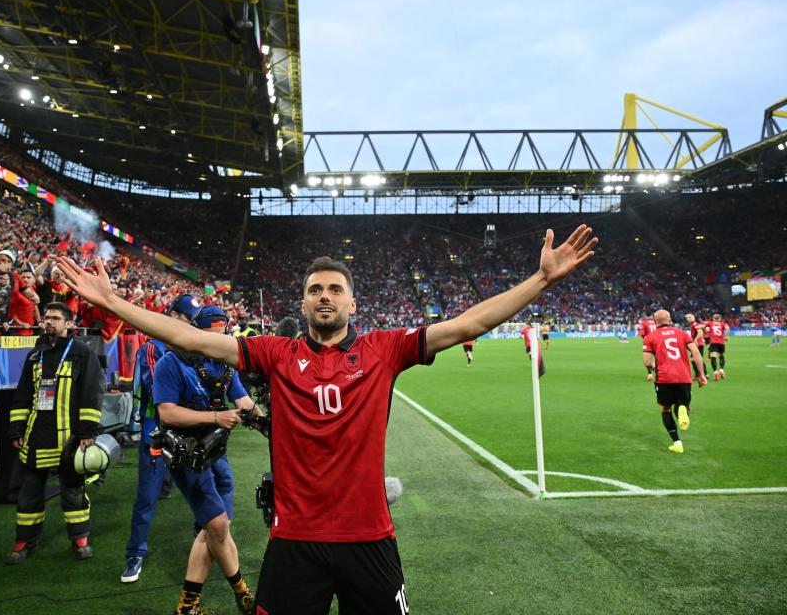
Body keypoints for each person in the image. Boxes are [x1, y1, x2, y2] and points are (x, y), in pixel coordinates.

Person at [56, 225, 597, 613]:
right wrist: (114, 304)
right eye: (315, 289)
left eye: (335, 289)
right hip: (295, 540)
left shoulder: (387, 350)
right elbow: (189, 336)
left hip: (370, 539)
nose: (324, 296)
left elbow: (467, 323)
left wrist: (541, 282)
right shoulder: (273, 353)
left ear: (353, 303)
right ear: (305, 299)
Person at [152, 304, 260, 615]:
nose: (216, 342)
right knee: (216, 525)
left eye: (221, 335)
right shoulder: (170, 363)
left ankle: (190, 604)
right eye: (209, 335)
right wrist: (215, 415)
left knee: (215, 528)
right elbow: (167, 412)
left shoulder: (226, 364)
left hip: (215, 452)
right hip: (188, 455)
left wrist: (271, 425)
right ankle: (240, 594)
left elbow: (243, 401)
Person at [5, 302, 105, 564]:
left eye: (56, 318)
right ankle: (24, 541)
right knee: (29, 493)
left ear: (68, 324)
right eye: (46, 317)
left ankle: (80, 539)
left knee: (73, 491)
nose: (49, 321)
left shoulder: (82, 352)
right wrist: (16, 427)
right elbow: (23, 394)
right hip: (36, 437)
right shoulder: (34, 355)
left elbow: (92, 393)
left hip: (69, 438)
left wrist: (86, 431)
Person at [121, 293, 201, 584]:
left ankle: (203, 541)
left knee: (201, 492)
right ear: (172, 314)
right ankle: (135, 553)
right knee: (147, 497)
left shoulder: (190, 345)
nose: (189, 324)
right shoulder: (153, 348)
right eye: (185, 317)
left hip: (188, 432)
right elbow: (161, 391)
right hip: (156, 434)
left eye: (193, 320)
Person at [642, 309, 708, 454]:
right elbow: (696, 353)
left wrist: (655, 367)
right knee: (683, 404)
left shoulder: (650, 337)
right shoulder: (682, 333)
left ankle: (677, 443)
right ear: (670, 319)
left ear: (654, 321)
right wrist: (701, 374)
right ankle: (683, 407)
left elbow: (647, 362)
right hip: (684, 377)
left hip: (664, 378)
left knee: (666, 409)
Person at [704, 313, 730, 381]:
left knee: (713, 357)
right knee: (721, 355)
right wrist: (726, 336)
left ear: (713, 318)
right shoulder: (723, 324)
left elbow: (703, 326)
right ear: (720, 319)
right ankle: (721, 370)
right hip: (721, 342)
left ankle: (715, 372)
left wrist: (705, 331)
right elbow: (727, 328)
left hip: (713, 342)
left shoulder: (710, 323)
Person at [638, 314, 657, 381]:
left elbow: (642, 333)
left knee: (647, 360)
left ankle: (650, 374)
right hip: (658, 341)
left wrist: (645, 340)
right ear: (652, 315)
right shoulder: (656, 322)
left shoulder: (644, 323)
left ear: (646, 316)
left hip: (648, 342)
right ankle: (661, 371)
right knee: (658, 357)